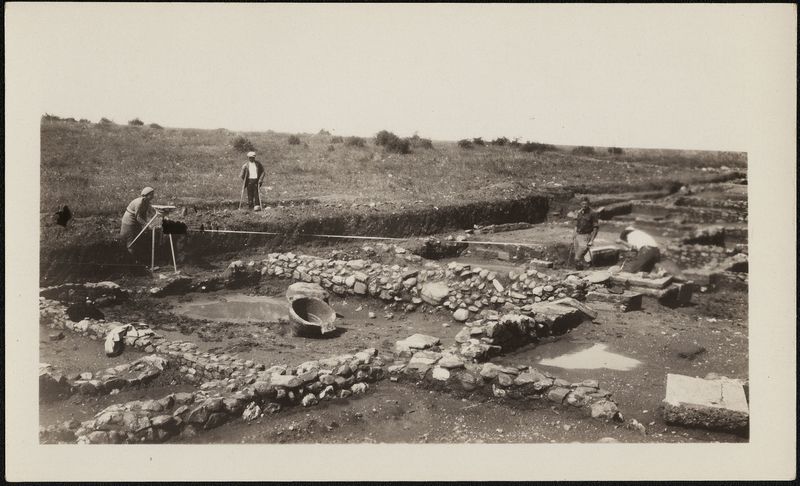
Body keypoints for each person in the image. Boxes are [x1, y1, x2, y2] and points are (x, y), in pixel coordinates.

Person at [120, 186, 156, 260]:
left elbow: (145, 214)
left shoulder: (146, 202)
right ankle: (130, 261)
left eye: (153, 194)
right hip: (129, 222)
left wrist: (146, 224)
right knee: (130, 242)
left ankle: (137, 260)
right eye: (151, 194)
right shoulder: (139, 203)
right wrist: (146, 225)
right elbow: (138, 217)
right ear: (145, 195)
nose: (153, 196)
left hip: (137, 222)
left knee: (138, 240)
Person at [572, 197, 599, 269]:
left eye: (586, 204)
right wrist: (574, 234)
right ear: (580, 204)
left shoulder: (593, 213)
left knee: (577, 257)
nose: (584, 205)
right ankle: (582, 269)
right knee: (577, 257)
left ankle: (585, 268)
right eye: (583, 204)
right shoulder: (579, 212)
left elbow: (596, 228)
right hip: (578, 236)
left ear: (588, 204)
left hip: (586, 236)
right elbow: (577, 224)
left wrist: (591, 240)